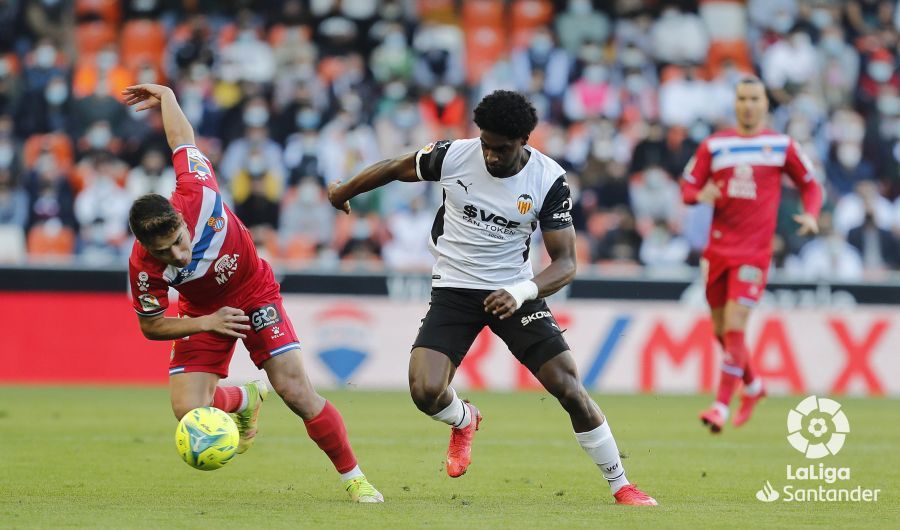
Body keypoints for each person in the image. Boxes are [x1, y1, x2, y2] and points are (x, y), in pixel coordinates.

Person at [327, 90, 657, 506]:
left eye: (501, 149)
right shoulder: (454, 155)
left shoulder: (547, 179)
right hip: (454, 287)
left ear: (524, 142)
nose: (490, 156)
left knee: (569, 387)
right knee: (425, 391)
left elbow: (566, 263)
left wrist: (520, 291)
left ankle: (621, 483)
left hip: (514, 292)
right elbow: (396, 167)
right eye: (486, 144)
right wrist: (343, 192)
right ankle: (465, 419)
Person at [121, 84, 382, 503]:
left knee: (296, 391)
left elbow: (180, 140)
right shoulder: (143, 267)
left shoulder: (197, 192)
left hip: (253, 290)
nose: (178, 253)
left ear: (181, 218)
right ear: (144, 247)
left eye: (180, 240)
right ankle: (243, 398)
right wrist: (207, 321)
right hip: (202, 310)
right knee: (188, 413)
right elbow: (150, 326)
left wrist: (168, 95)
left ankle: (355, 479)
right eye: (164, 251)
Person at [681, 77, 822, 433]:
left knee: (734, 326)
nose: (747, 104)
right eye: (742, 98)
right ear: (735, 103)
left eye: (754, 98)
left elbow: (810, 183)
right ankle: (755, 386)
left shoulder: (781, 146)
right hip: (716, 252)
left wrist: (811, 214)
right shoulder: (715, 146)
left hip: (754, 254)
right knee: (720, 331)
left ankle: (720, 407)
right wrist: (702, 194)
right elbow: (687, 187)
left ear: (765, 104)